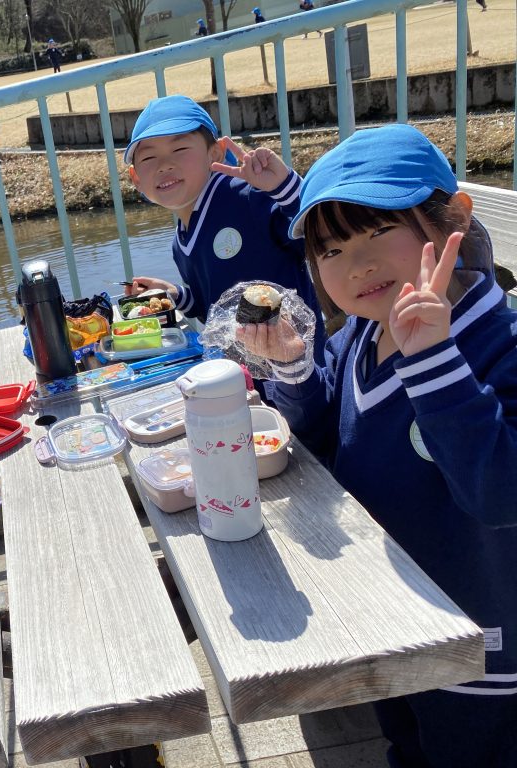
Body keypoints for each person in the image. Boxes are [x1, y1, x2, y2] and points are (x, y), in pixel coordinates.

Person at [237, 124, 517, 767]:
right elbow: (323, 431)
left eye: (378, 231)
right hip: (396, 615)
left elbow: (499, 492)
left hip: (479, 645)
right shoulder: (362, 333)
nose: (356, 265)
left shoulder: (497, 345)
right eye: (331, 250)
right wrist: (295, 369)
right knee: (405, 740)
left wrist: (434, 360)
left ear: (453, 219)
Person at [122, 95, 326, 362]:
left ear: (215, 153)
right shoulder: (180, 240)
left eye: (180, 149)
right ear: (136, 178)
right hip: (241, 375)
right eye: (149, 157)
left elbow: (318, 235)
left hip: (299, 370)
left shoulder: (249, 196)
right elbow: (213, 308)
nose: (165, 165)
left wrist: (283, 187)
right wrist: (175, 295)